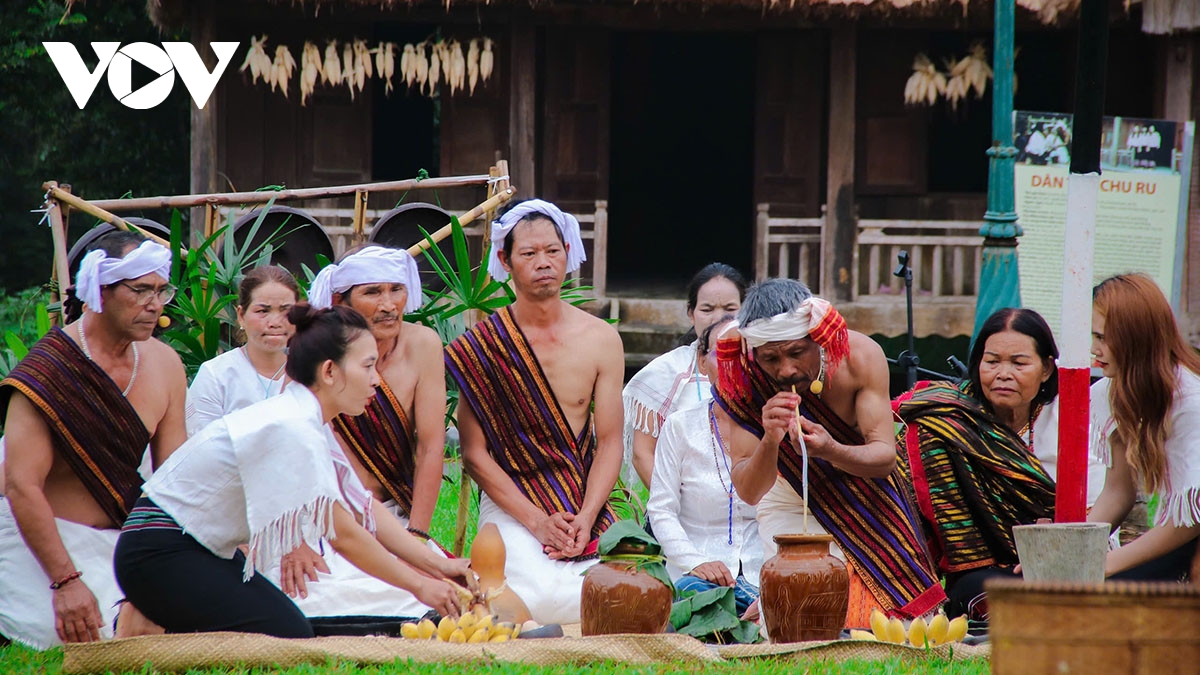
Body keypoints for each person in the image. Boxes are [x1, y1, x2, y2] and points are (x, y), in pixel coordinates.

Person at [113, 304, 471, 637]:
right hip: (158, 552)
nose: (377, 379)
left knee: (289, 627)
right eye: (367, 366)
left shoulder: (308, 419)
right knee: (289, 633)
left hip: (195, 550)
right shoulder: (292, 426)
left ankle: (152, 618)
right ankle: (145, 621)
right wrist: (419, 585)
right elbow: (341, 532)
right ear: (330, 371)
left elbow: (362, 506)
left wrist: (435, 566)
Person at [714, 278, 945, 625]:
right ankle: (769, 608)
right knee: (800, 614)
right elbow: (748, 490)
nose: (785, 370)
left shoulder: (860, 357)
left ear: (817, 339)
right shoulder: (740, 376)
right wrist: (770, 440)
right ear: (754, 353)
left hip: (864, 489)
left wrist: (831, 449)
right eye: (770, 359)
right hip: (787, 495)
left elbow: (883, 459)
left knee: (888, 623)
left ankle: (766, 608)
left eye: (796, 353)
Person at [0, 232, 187, 648]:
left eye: (161, 290)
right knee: (92, 635)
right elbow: (21, 486)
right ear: (99, 290)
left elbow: (174, 478)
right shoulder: (49, 371)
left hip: (123, 537)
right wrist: (65, 582)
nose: (154, 304)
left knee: (174, 621)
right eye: (140, 290)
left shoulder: (165, 363)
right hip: (41, 539)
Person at [445, 199, 624, 624]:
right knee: (532, 594)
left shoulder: (601, 339)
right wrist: (538, 522)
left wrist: (586, 516)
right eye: (528, 253)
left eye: (552, 251)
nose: (543, 262)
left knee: (628, 587)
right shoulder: (482, 345)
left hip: (581, 496)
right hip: (512, 502)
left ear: (567, 251)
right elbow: (474, 455)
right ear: (505, 260)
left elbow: (611, 442)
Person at [893, 307, 1107, 618]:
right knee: (974, 593)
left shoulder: (1070, 417)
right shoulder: (948, 420)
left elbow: (1095, 506)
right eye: (992, 362)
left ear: (1047, 368)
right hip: (986, 570)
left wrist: (1053, 542)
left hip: (1063, 558)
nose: (1003, 374)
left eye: (1019, 363)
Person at [275, 245, 446, 620]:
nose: (388, 304)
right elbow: (285, 457)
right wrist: (295, 539)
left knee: (448, 587)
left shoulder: (424, 346)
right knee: (314, 592)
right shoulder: (316, 355)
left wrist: (416, 536)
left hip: (391, 516)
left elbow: (432, 447)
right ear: (343, 301)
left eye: (395, 289)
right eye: (372, 292)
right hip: (323, 517)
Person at [1088, 274, 1200, 581]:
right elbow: (1118, 490)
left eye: (1101, 337)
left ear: (1134, 336)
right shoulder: (1108, 392)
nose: (1094, 348)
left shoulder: (1190, 402)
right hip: (1173, 537)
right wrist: (1074, 552)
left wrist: (1106, 564)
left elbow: (1188, 522)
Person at [648, 315, 761, 617]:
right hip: (696, 579)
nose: (732, 364)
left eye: (741, 354)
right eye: (721, 352)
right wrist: (696, 562)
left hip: (763, 575)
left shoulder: (775, 426)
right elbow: (661, 510)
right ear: (701, 361)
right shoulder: (681, 427)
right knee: (692, 594)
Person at [623, 263, 746, 487]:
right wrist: (670, 508)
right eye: (707, 310)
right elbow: (642, 454)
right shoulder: (665, 372)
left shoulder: (763, 369)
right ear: (691, 313)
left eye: (730, 308)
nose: (718, 318)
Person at [186, 266, 299, 435]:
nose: (275, 322)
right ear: (241, 315)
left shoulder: (315, 373)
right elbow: (199, 446)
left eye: (286, 311)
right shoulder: (216, 375)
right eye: (263, 311)